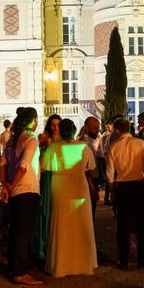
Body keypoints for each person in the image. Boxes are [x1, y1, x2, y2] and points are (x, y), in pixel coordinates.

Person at [43, 119, 98, 277]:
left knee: (62, 222)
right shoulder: (84, 147)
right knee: (81, 222)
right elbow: (91, 168)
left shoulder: (54, 148)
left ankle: (61, 264)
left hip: (60, 185)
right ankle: (83, 262)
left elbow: (46, 166)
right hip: (80, 186)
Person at [0, 107, 43, 285]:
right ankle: (19, 272)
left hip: (15, 192)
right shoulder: (31, 140)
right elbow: (24, 166)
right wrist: (11, 184)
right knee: (23, 233)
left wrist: (5, 185)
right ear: (33, 120)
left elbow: (2, 164)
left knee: (15, 230)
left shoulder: (11, 140)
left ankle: (15, 266)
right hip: (27, 189)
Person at [106, 118, 144, 270]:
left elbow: (109, 173)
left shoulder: (113, 146)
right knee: (142, 222)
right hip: (139, 184)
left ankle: (123, 258)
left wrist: (112, 190)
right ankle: (142, 256)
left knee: (123, 224)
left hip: (123, 187)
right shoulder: (140, 143)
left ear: (117, 130)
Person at [30, 114, 61, 263]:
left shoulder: (63, 141)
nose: (55, 128)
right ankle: (41, 246)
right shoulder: (44, 139)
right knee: (45, 211)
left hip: (59, 177)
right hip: (46, 176)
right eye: (53, 125)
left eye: (58, 125)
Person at [79, 116, 102, 218]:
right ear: (87, 128)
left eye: (98, 128)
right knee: (89, 209)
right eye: (95, 128)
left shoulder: (95, 140)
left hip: (94, 178)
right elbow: (86, 167)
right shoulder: (84, 143)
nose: (97, 131)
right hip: (88, 179)